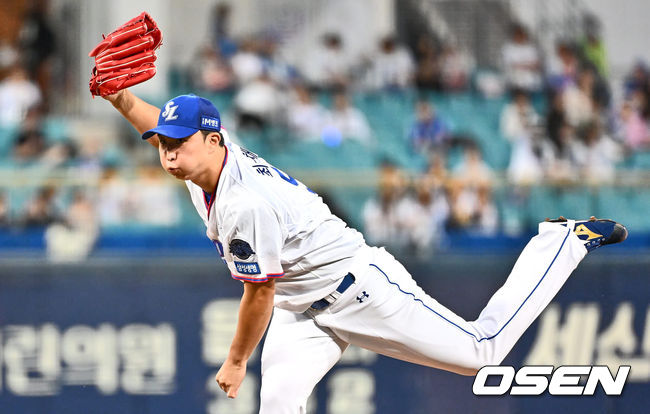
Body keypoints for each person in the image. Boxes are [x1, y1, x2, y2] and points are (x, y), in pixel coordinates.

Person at [99, 88, 627, 413]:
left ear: (213, 141)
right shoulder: (209, 160)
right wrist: (121, 96)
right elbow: (155, 123)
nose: (167, 153)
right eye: (164, 143)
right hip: (302, 309)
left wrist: (237, 361)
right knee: (279, 408)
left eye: (178, 143)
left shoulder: (244, 203)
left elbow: (257, 295)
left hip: (361, 288)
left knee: (480, 354)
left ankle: (561, 242)